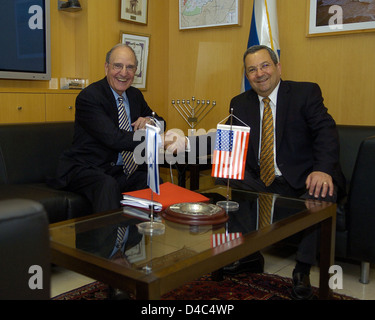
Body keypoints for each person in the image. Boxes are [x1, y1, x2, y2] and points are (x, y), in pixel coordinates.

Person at [217, 45, 346, 299]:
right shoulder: (239, 103)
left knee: (320, 191)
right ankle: (249, 257)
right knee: (228, 181)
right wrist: (218, 156)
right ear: (247, 75)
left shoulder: (305, 92)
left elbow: (325, 132)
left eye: (265, 65)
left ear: (278, 67)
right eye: (252, 69)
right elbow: (229, 145)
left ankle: (302, 270)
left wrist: (322, 169)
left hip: (303, 177)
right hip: (264, 180)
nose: (259, 74)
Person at [49, 43, 165, 214]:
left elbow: (161, 121)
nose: (124, 73)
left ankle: (144, 237)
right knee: (107, 185)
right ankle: (107, 239)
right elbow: (114, 138)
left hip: (119, 170)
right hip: (87, 168)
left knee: (154, 181)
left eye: (130, 67)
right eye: (118, 66)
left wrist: (150, 121)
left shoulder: (134, 95)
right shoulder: (89, 97)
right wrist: (155, 139)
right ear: (106, 67)